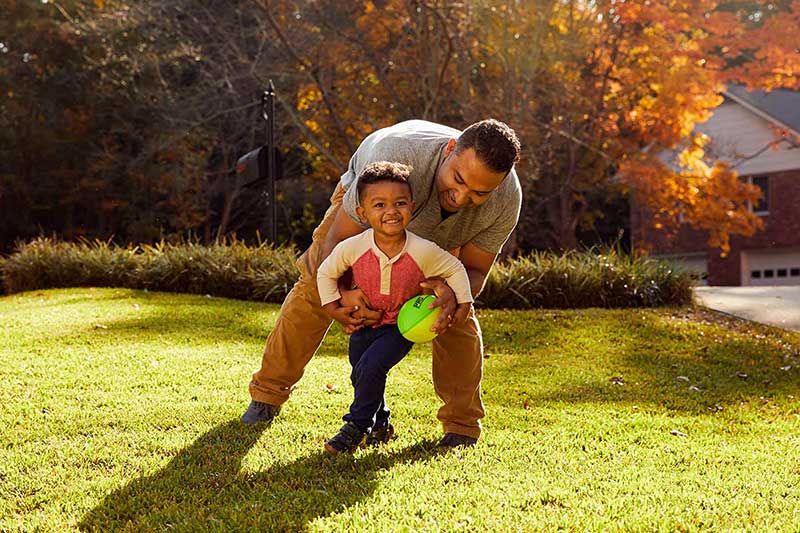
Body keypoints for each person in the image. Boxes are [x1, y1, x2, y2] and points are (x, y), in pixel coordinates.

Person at [242, 118, 522, 448]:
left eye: (479, 193)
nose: (461, 198)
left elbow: (474, 270)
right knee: (315, 288)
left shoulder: (505, 200)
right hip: (375, 200)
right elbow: (338, 241)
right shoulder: (396, 157)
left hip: (441, 243)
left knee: (456, 313)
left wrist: (452, 295)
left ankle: (461, 427)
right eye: (457, 180)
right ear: (449, 150)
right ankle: (267, 396)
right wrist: (344, 294)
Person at [316, 162, 473, 454]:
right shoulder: (354, 246)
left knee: (372, 367)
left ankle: (356, 427)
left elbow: (455, 267)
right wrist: (332, 309)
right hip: (365, 324)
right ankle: (381, 422)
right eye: (379, 204)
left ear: (411, 207)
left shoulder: (421, 250)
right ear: (363, 213)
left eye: (400, 203)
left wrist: (463, 304)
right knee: (361, 373)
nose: (391, 211)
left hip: (399, 327)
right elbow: (326, 272)